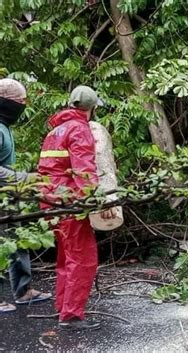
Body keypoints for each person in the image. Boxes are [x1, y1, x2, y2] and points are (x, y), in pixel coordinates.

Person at [38, 85, 115, 330]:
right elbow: (84, 171)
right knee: (83, 258)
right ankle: (71, 315)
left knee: (66, 256)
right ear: (91, 109)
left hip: (51, 202)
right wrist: (99, 202)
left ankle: (63, 306)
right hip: (71, 202)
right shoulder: (80, 130)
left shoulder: (56, 130)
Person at [0, 78, 52, 314]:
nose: (23, 106)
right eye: (19, 102)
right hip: (5, 191)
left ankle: (23, 290)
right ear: (6, 102)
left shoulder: (4, 127)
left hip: (8, 195)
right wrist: (23, 178)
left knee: (17, 240)